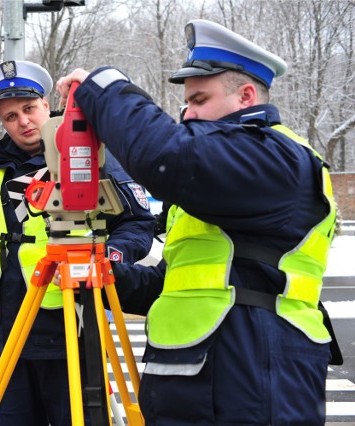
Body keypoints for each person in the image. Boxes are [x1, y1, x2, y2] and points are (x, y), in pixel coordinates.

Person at [55, 19, 338, 426]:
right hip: (202, 381)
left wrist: (104, 86)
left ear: (245, 96)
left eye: (200, 99)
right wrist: (106, 278)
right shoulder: (224, 180)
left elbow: (162, 156)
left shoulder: (275, 157)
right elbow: (181, 284)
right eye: (186, 102)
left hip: (251, 380)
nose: (187, 114)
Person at [0, 60, 156, 425]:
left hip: (71, 323)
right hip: (8, 329)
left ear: (46, 104)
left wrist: (111, 257)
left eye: (30, 109)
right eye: (11, 116)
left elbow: (138, 221)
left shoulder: (86, 154)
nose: (24, 122)